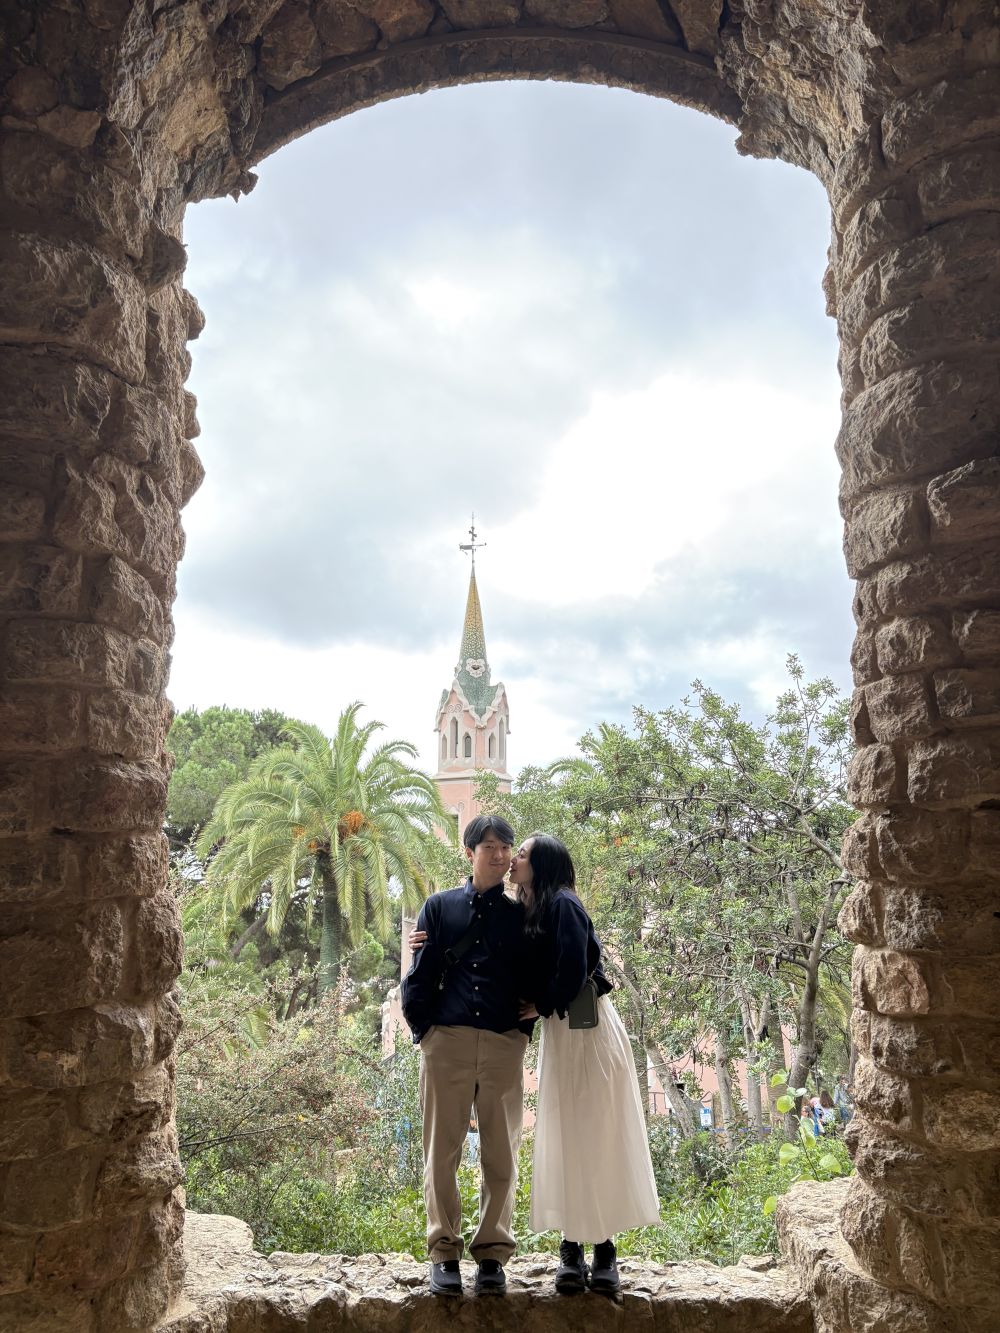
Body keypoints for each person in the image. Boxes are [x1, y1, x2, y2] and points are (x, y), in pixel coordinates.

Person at [509, 833, 660, 1295]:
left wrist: (539, 1004)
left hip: (588, 1034)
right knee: (569, 1136)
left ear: (543, 864)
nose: (513, 859)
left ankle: (603, 1249)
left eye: (521, 854)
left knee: (595, 1136)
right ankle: (571, 1246)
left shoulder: (563, 905)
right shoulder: (532, 908)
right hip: (564, 1035)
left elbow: (574, 969)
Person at [400, 814, 533, 1299]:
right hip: (447, 1042)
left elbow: (536, 973)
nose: (500, 855)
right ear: (470, 852)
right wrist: (425, 1032)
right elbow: (419, 974)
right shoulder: (439, 907)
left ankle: (493, 1255)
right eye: (490, 846)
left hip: (502, 1043)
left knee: (502, 1153)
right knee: (442, 1152)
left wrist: (523, 1030)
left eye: (506, 847)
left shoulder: (521, 915)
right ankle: (444, 1254)